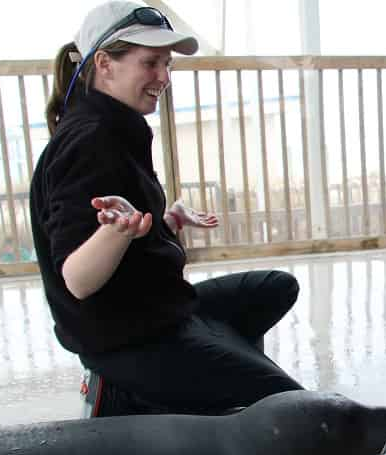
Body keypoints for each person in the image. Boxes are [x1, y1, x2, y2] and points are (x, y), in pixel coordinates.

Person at [29, 1, 304, 416]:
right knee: (297, 410)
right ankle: (136, 392)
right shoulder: (90, 141)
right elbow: (79, 280)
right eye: (151, 63)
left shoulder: (114, 127)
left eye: (167, 64)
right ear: (104, 64)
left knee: (274, 287)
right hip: (127, 340)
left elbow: (131, 238)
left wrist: (167, 221)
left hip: (158, 310)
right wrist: (116, 232)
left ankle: (205, 396)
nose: (164, 77)